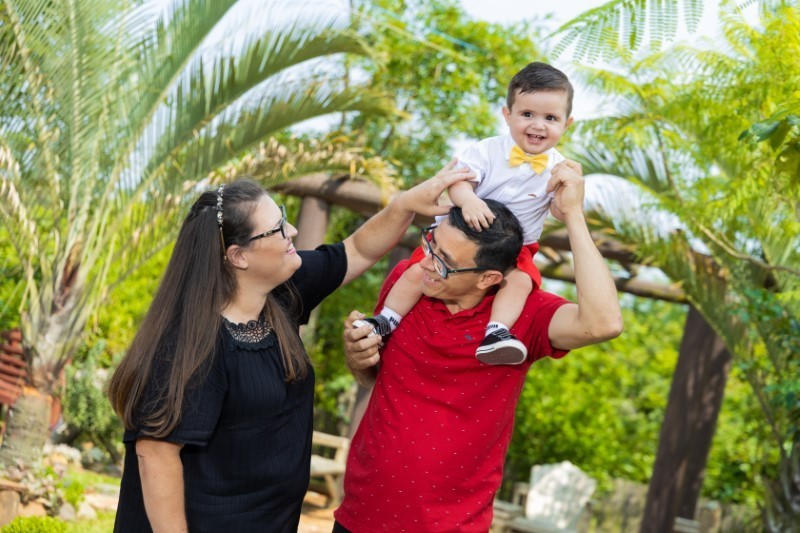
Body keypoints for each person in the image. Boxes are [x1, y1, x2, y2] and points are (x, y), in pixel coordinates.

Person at [107, 163, 474, 533]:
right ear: (238, 256)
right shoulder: (190, 343)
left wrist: (405, 204)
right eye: (277, 227)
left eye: (283, 216)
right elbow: (155, 454)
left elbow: (357, 250)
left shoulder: (283, 293)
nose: (292, 230)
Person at [334, 164, 623, 532]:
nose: (427, 264)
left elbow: (604, 323)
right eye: (431, 244)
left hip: (452, 526)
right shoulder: (407, 284)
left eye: (445, 262)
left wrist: (574, 217)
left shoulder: (526, 315)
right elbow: (371, 376)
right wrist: (358, 357)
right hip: (359, 514)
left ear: (488, 278)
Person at [359, 62, 575, 365]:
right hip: (460, 237)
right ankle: (386, 319)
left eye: (550, 118)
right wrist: (469, 200)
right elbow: (458, 182)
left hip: (517, 247)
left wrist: (565, 204)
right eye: (527, 114)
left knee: (520, 282)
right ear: (507, 115)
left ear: (567, 124)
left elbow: (557, 209)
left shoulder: (559, 168)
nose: (538, 125)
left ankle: (496, 332)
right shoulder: (486, 150)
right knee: (417, 270)